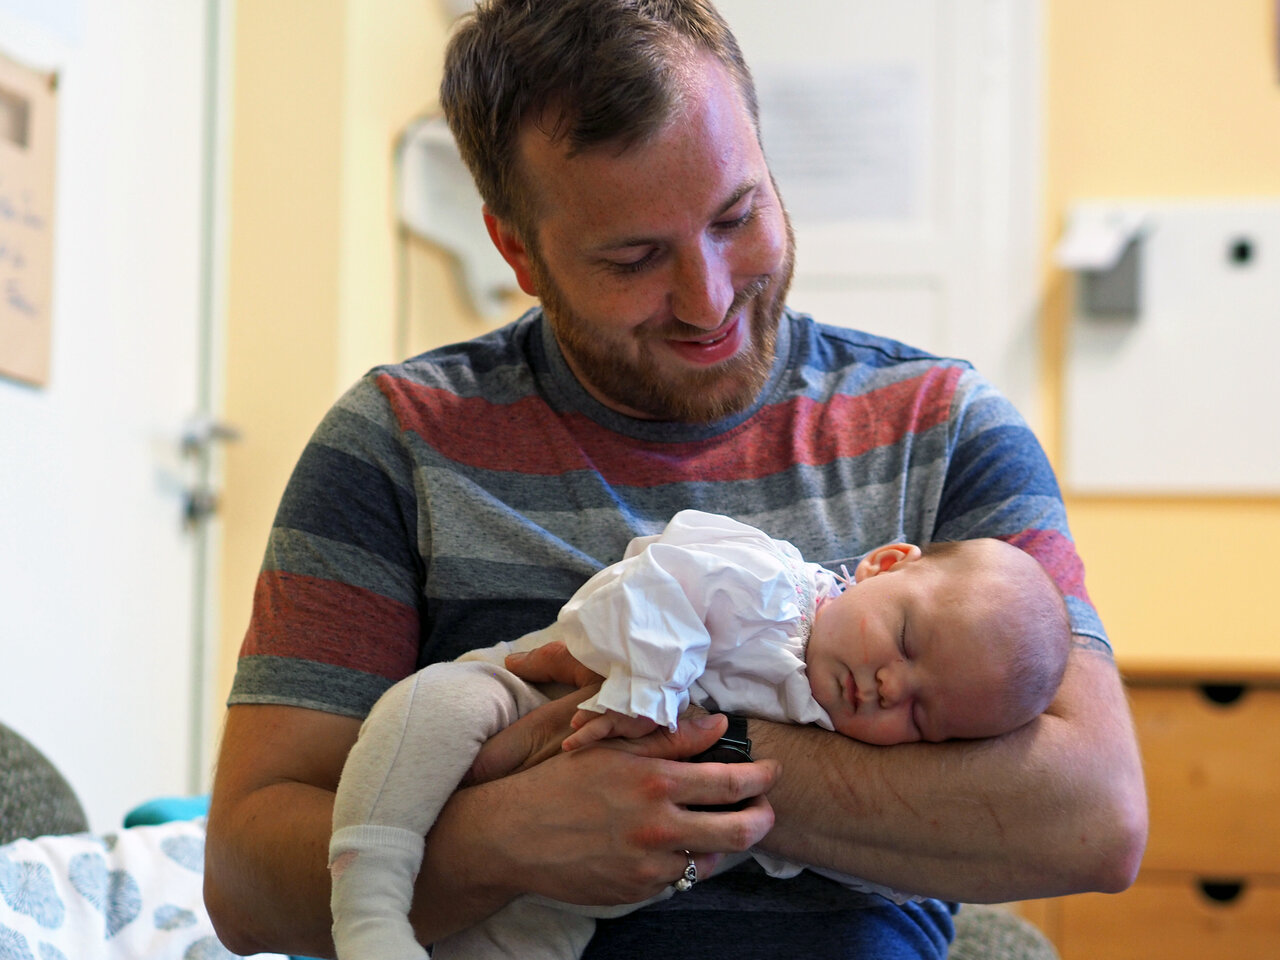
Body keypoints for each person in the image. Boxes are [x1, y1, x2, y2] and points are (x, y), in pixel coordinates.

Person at [204, 2, 1147, 958]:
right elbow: (244, 882)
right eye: (634, 258)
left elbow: (1093, 819)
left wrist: (715, 747)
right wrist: (502, 840)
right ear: (517, 249)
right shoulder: (395, 444)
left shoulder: (938, 426)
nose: (709, 300)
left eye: (738, 215)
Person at [327, 510, 1072, 960]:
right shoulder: (773, 590)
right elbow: (657, 577)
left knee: (537, 940)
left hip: (583, 889)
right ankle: (369, 907)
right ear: (881, 566)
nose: (890, 686)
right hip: (526, 696)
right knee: (436, 705)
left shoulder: (841, 734)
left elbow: (883, 860)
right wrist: (651, 693)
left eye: (922, 715)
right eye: (907, 640)